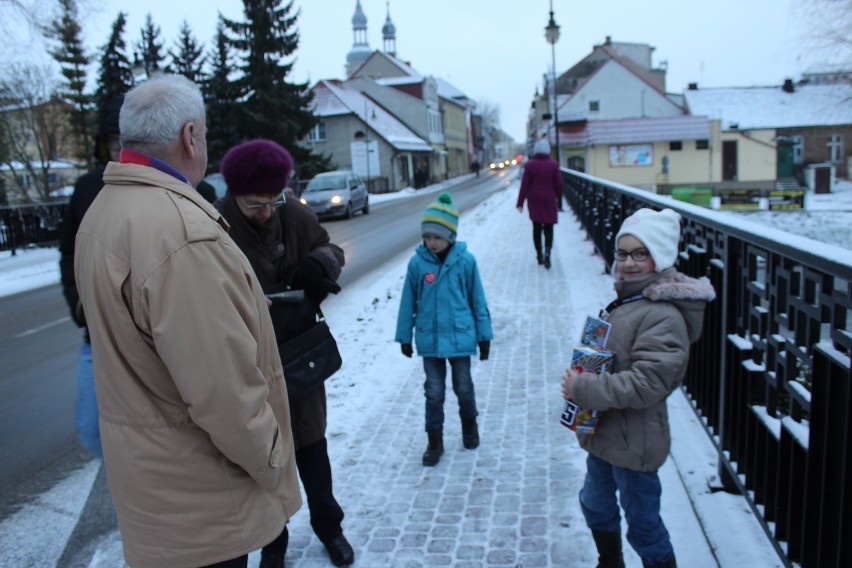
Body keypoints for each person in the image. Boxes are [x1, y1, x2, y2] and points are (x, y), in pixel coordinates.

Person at [74, 75, 301, 568]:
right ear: (190, 136)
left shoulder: (105, 211)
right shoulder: (180, 232)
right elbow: (224, 393)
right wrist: (274, 459)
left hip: (156, 496)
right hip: (206, 503)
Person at [216, 139, 354, 568]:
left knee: (312, 447)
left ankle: (330, 527)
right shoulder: (215, 223)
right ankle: (273, 542)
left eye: (273, 200)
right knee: (264, 457)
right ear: (235, 194)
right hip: (249, 363)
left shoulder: (293, 213)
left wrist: (320, 264)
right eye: (256, 203)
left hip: (299, 353)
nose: (267, 212)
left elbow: (333, 250)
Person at [560, 208, 715, 568]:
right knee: (595, 503)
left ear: (659, 258)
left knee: (643, 525)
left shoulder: (664, 314)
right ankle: (609, 561)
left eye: (640, 254)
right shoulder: (629, 300)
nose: (628, 263)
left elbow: (650, 383)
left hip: (635, 442)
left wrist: (585, 388)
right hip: (604, 431)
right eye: (622, 253)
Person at [395, 192, 493, 466]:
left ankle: (469, 426)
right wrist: (404, 336)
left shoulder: (466, 261)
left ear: (450, 235)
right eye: (427, 237)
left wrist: (484, 336)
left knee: (463, 386)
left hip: (461, 336)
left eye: (437, 237)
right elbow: (407, 302)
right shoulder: (417, 264)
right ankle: (434, 441)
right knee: (434, 391)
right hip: (430, 340)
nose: (431, 242)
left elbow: (477, 299)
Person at [59, 94, 123, 458]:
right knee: (90, 428)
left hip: (150, 334)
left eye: (126, 140)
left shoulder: (165, 186)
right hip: (96, 335)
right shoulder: (88, 188)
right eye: (112, 140)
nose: (119, 148)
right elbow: (68, 252)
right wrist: (79, 303)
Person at [516, 138, 563, 269]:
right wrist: (557, 196)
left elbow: (524, 185)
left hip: (534, 200)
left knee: (536, 228)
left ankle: (539, 255)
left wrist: (520, 203)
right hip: (549, 199)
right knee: (549, 228)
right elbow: (559, 184)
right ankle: (548, 251)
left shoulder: (529, 165)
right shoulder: (554, 165)